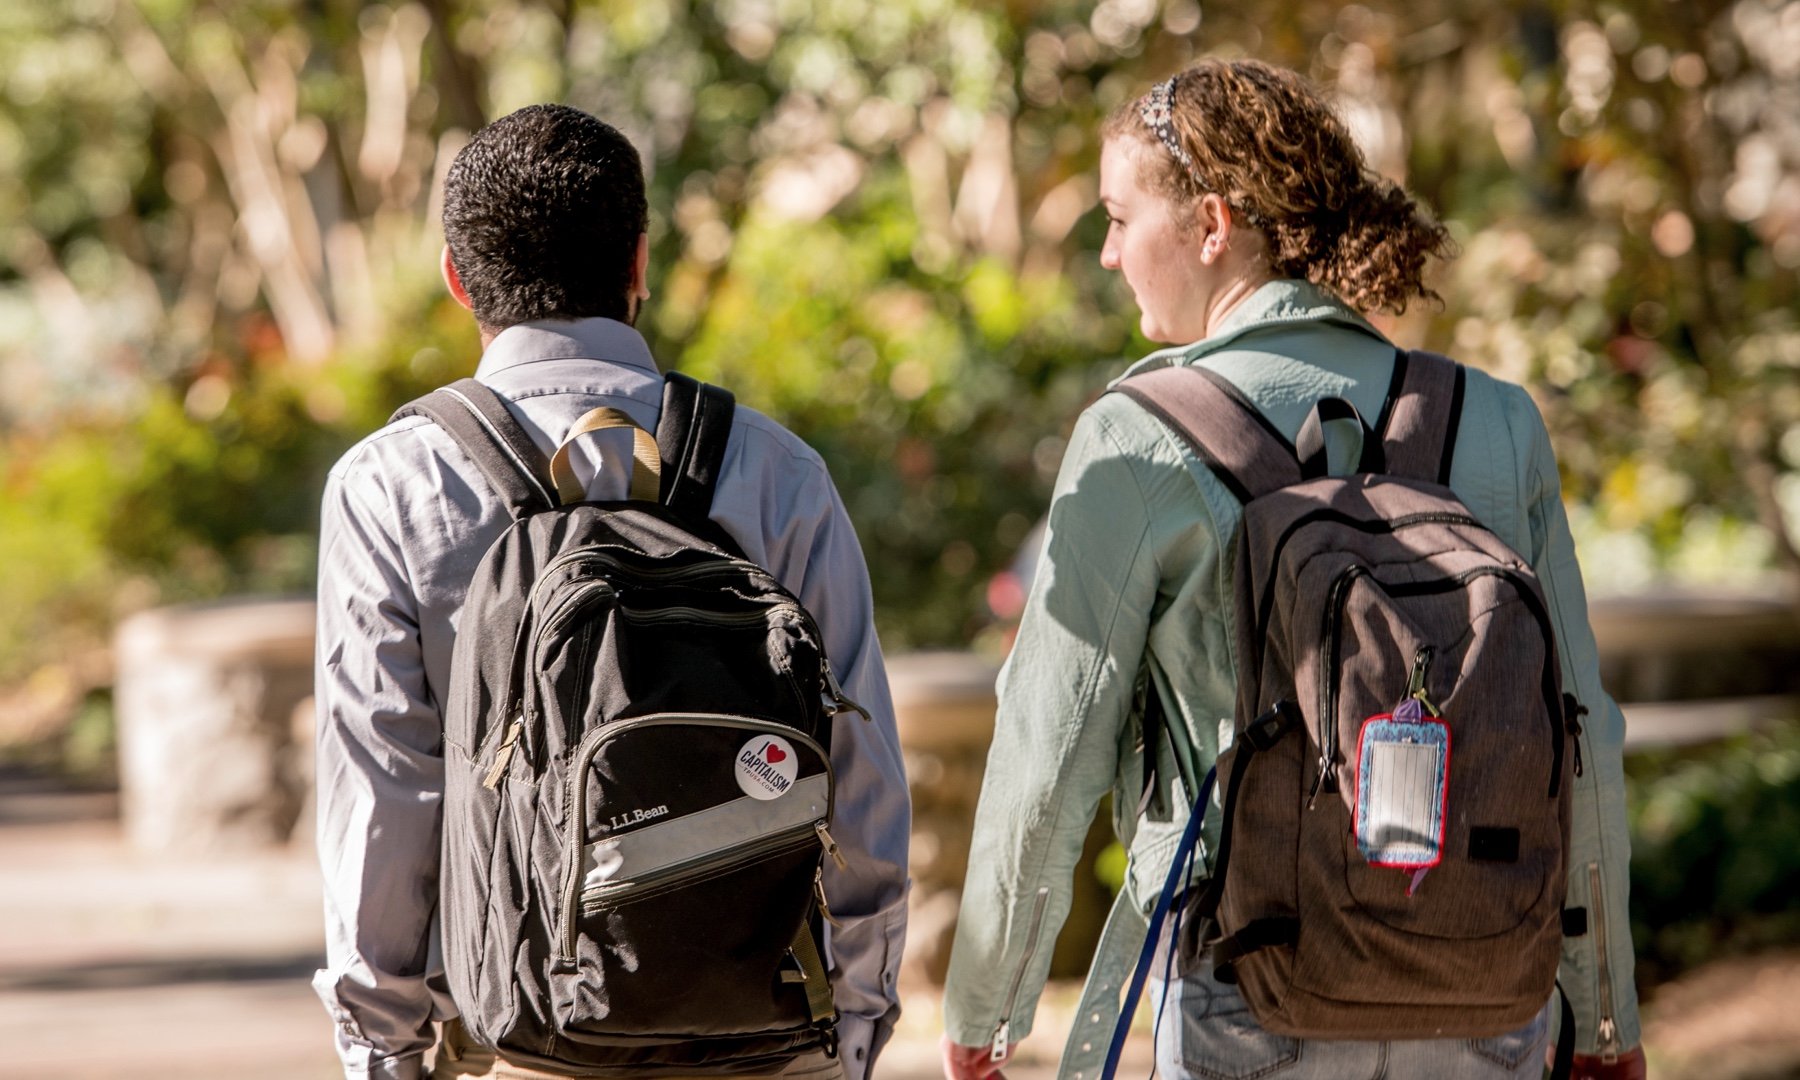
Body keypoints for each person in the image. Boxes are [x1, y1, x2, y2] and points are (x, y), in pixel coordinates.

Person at [940, 59, 1645, 1080]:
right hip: (1490, 991)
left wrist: (987, 1005)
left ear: (1210, 225)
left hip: (1255, 987)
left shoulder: (1137, 439)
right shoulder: (1494, 421)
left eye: (1118, 217)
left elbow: (1051, 748)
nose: (1105, 253)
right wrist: (1605, 1011)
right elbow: (1583, 734)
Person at [311, 103, 910, 1080]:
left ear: (457, 279)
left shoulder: (392, 485)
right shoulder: (774, 470)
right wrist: (853, 1032)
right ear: (639, 264)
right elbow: (863, 769)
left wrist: (384, 1051)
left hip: (517, 1037)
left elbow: (385, 794)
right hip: (761, 1028)